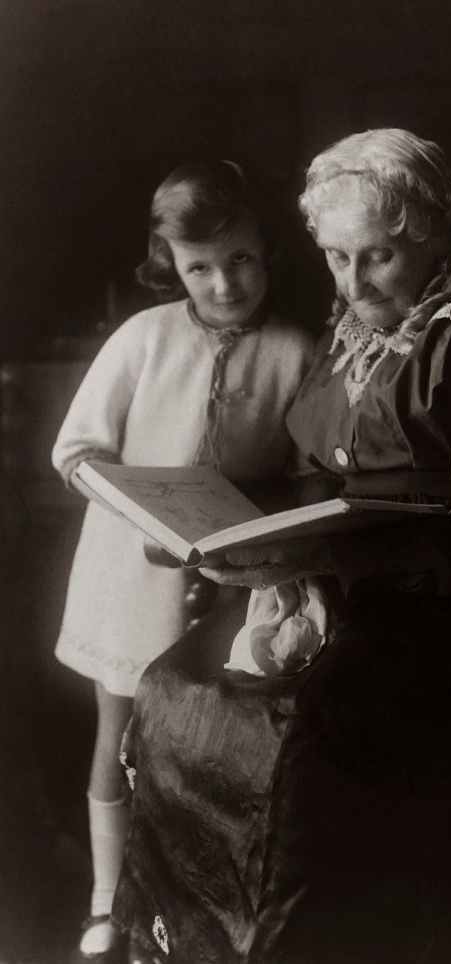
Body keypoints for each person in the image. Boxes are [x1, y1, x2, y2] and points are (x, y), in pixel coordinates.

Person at [113, 129, 451, 963]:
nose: (353, 284)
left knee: (296, 731)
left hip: (445, 610)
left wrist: (331, 561)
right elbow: (311, 467)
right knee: (173, 687)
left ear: (434, 232)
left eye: (378, 258)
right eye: (334, 258)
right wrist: (226, 537)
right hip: (332, 581)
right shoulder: (354, 327)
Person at [51, 159, 316, 963]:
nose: (225, 285)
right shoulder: (143, 338)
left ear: (266, 251)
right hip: (132, 574)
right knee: (119, 731)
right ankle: (105, 900)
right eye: (199, 268)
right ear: (171, 265)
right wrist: (136, 499)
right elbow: (77, 449)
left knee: (202, 751)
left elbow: (306, 470)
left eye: (239, 260)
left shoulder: (298, 351)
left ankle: (183, 902)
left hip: (234, 582)